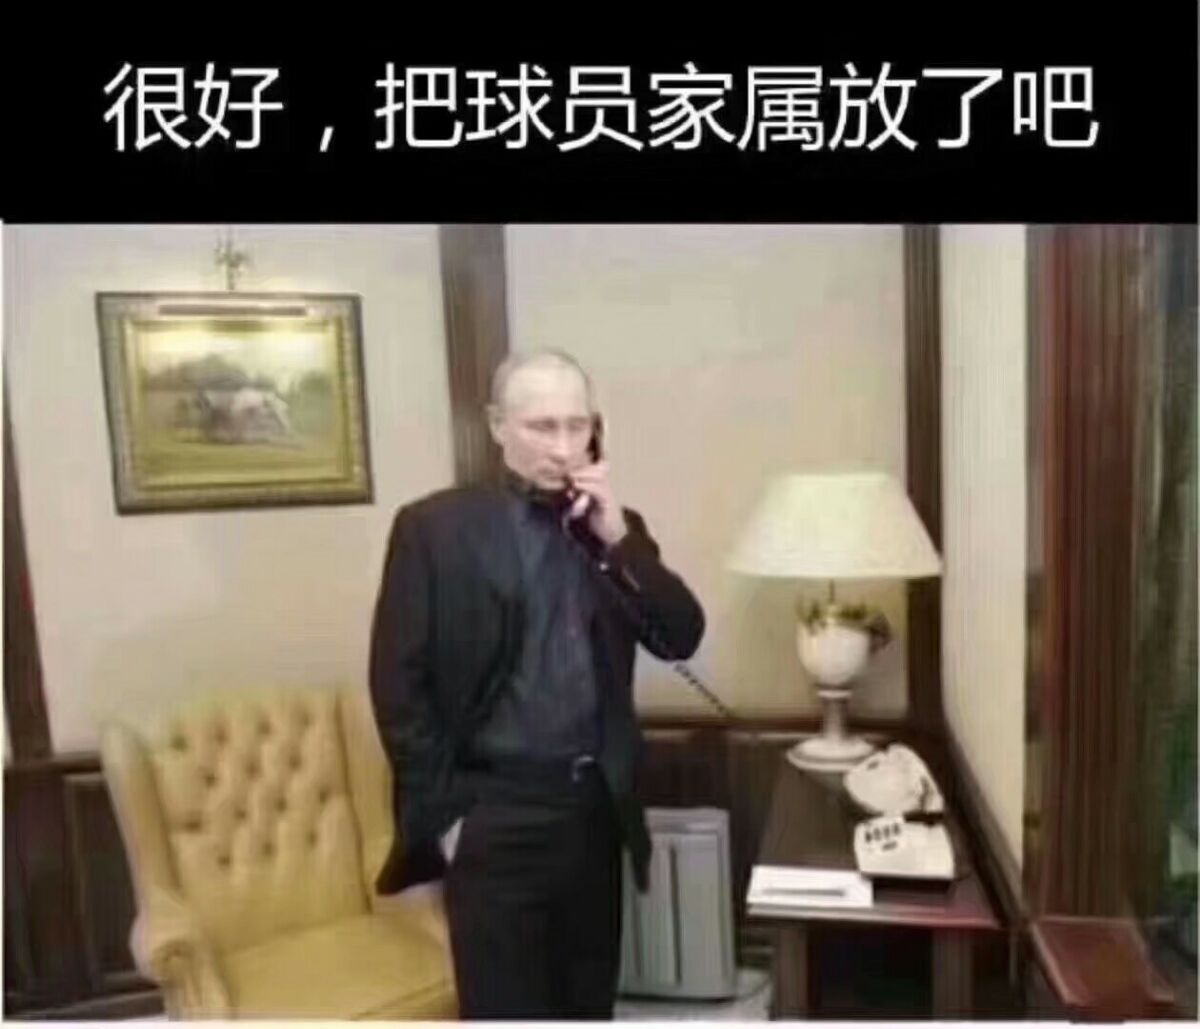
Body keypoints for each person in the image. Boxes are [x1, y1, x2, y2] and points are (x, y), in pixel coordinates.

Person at [368, 349, 705, 1019]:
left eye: (578, 426)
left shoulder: (615, 528)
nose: (563, 447)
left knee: (587, 1002)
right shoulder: (434, 529)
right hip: (492, 813)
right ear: (497, 426)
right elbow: (398, 685)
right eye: (542, 427)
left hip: (592, 810)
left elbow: (680, 636)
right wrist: (448, 819)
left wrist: (619, 539)